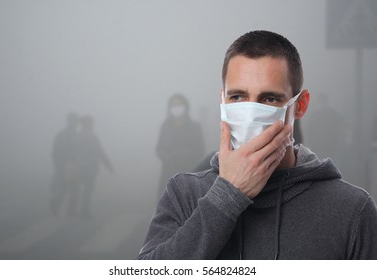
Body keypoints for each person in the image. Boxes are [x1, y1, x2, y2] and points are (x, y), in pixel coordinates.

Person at [137, 30, 377, 259]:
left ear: (300, 105)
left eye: (270, 98)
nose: (250, 113)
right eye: (238, 97)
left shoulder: (352, 210)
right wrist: (227, 196)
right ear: (223, 100)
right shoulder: (184, 193)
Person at [156, 93, 205, 199]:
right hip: (168, 174)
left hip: (188, 173)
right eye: (173, 105)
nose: (176, 108)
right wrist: (167, 157)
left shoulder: (194, 127)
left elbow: (200, 150)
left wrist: (185, 156)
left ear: (186, 107)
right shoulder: (166, 126)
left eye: (179, 104)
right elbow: (159, 149)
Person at [76, 115, 114, 218]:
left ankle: (73, 210)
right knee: (88, 190)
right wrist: (109, 165)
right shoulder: (92, 137)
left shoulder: (78, 136)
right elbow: (100, 152)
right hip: (89, 168)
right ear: (89, 124)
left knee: (77, 189)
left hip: (79, 167)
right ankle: (84, 211)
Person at [49, 112, 81, 216]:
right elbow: (56, 151)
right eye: (74, 121)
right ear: (70, 121)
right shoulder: (64, 135)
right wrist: (58, 165)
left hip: (72, 165)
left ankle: (66, 209)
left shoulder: (73, 135)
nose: (76, 123)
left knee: (73, 188)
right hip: (66, 165)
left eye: (76, 121)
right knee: (66, 188)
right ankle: (56, 204)